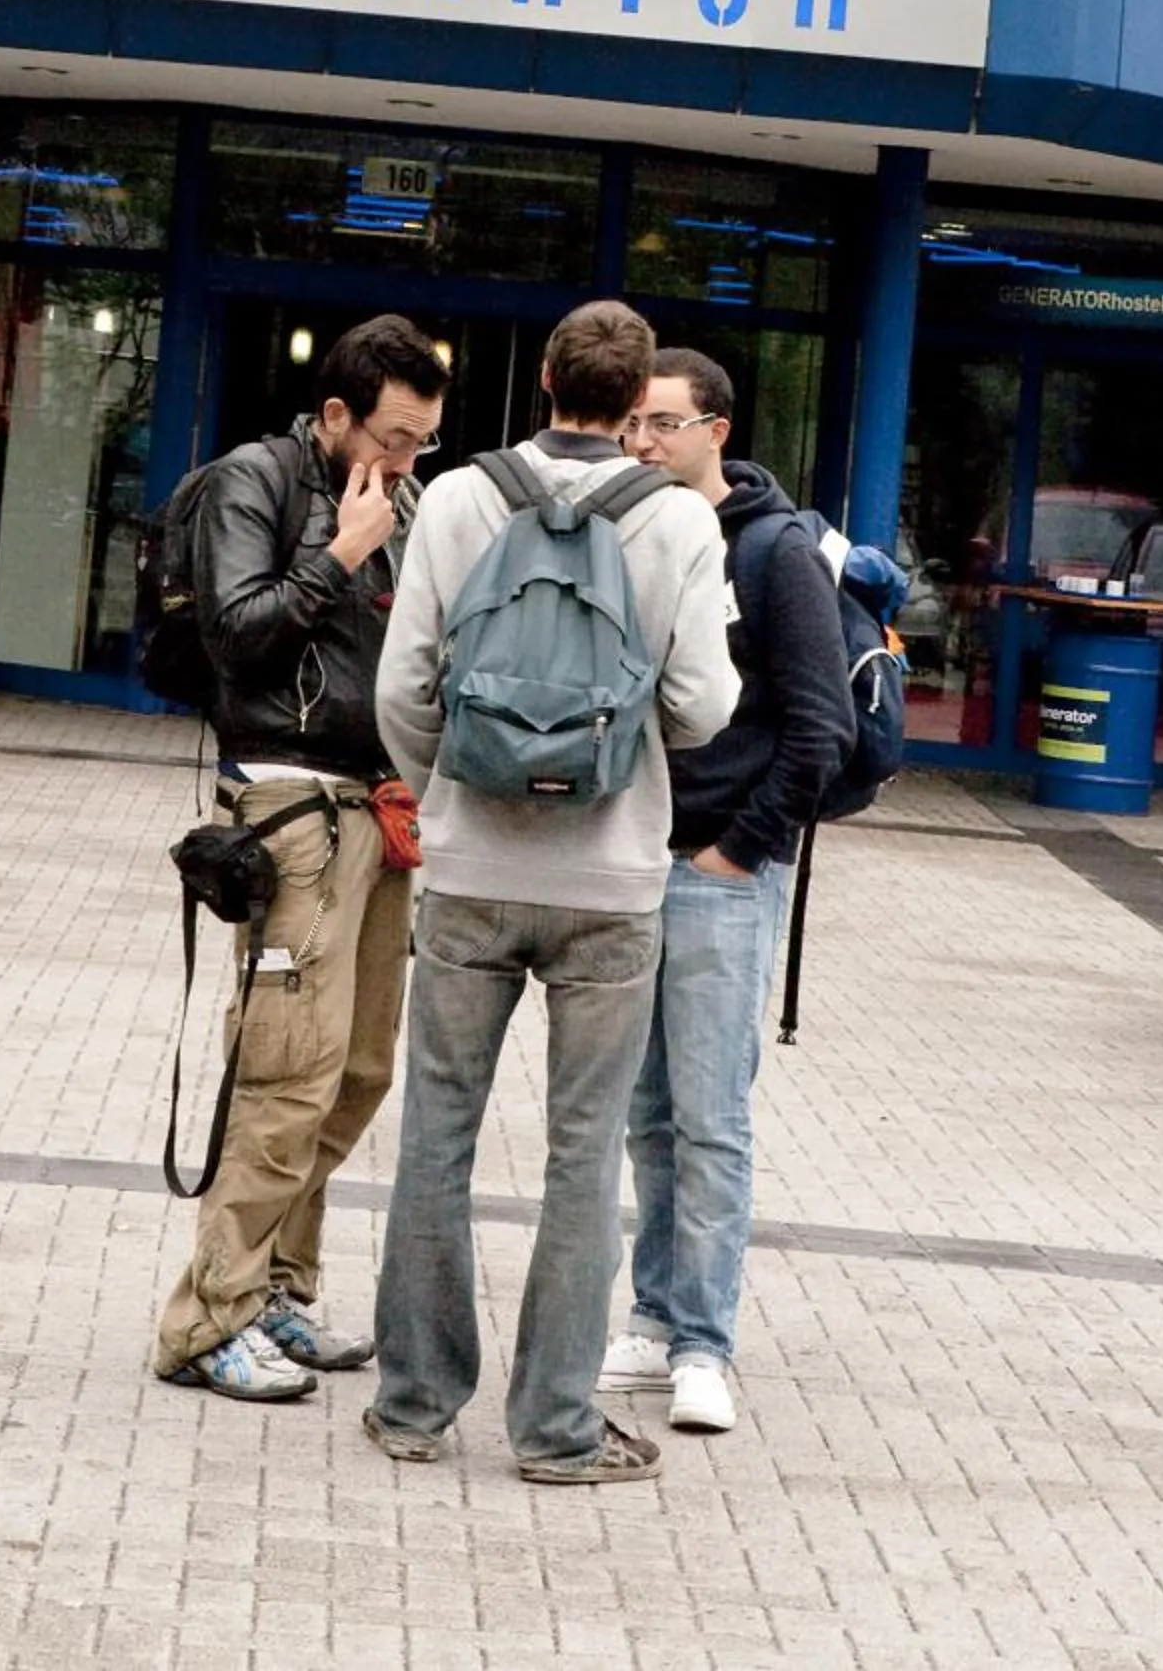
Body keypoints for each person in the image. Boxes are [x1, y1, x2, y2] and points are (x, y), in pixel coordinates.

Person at [366, 301, 738, 1484]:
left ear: (537, 381)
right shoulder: (677, 519)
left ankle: (413, 1406)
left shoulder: (461, 499)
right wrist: (620, 753)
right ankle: (554, 1430)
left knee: (436, 1137)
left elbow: (404, 682)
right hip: (612, 882)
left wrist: (453, 790)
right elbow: (702, 702)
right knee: (585, 1159)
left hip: (471, 867)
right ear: (637, 407)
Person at [153, 313, 451, 1404]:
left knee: (358, 1068)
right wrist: (339, 556)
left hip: (382, 802)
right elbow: (236, 633)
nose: (407, 460)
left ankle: (277, 1281)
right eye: (394, 436)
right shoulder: (256, 481)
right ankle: (204, 1319)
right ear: (334, 415)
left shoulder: (406, 501)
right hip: (290, 798)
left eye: (422, 441)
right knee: (286, 1069)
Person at [599, 346, 855, 1434]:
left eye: (661, 423)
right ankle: (653, 1319)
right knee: (645, 1116)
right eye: (631, 426)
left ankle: (703, 1343)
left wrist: (735, 852)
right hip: (630, 861)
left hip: (715, 873)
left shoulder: (772, 552)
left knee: (708, 1119)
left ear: (717, 429)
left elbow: (819, 731)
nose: (641, 442)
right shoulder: (633, 536)